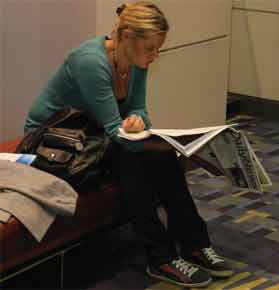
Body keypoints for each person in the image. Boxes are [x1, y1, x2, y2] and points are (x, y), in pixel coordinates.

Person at [24, 1, 234, 287]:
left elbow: (139, 111)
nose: (155, 55)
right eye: (150, 49)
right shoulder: (91, 62)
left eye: (158, 48)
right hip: (53, 143)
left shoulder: (136, 61)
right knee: (135, 159)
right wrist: (152, 139)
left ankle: (194, 242)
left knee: (160, 156)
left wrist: (139, 121)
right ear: (125, 38)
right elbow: (115, 130)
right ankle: (160, 257)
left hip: (91, 136)